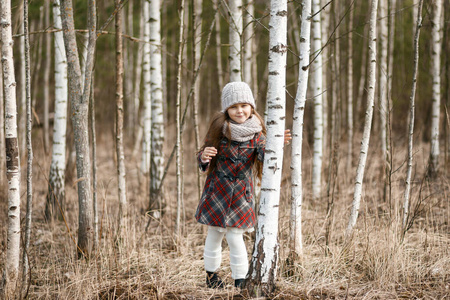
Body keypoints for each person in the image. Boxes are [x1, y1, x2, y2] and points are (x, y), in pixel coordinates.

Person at [195, 81, 291, 289]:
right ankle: (211, 276)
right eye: (234, 107)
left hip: (241, 195)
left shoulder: (258, 135)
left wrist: (276, 145)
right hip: (217, 192)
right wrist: (204, 157)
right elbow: (203, 158)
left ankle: (240, 280)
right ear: (227, 110)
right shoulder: (219, 131)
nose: (239, 111)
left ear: (251, 107)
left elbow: (266, 157)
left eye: (244, 105)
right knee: (215, 233)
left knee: (235, 236)